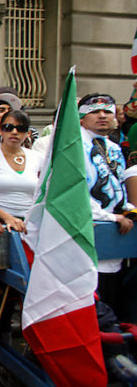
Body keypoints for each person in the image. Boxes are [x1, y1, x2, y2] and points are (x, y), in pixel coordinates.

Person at [79, 93, 134, 310]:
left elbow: (118, 186)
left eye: (107, 111)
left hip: (115, 232)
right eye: (94, 111)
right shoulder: (71, 147)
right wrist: (109, 216)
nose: (102, 116)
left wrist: (127, 210)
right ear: (81, 118)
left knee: (112, 298)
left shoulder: (113, 147)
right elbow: (75, 190)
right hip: (89, 230)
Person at [0, 110, 44, 233]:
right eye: (8, 127)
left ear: (28, 133)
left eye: (20, 128)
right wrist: (7, 218)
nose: (14, 132)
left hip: (30, 225)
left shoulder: (38, 158)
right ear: (0, 130)